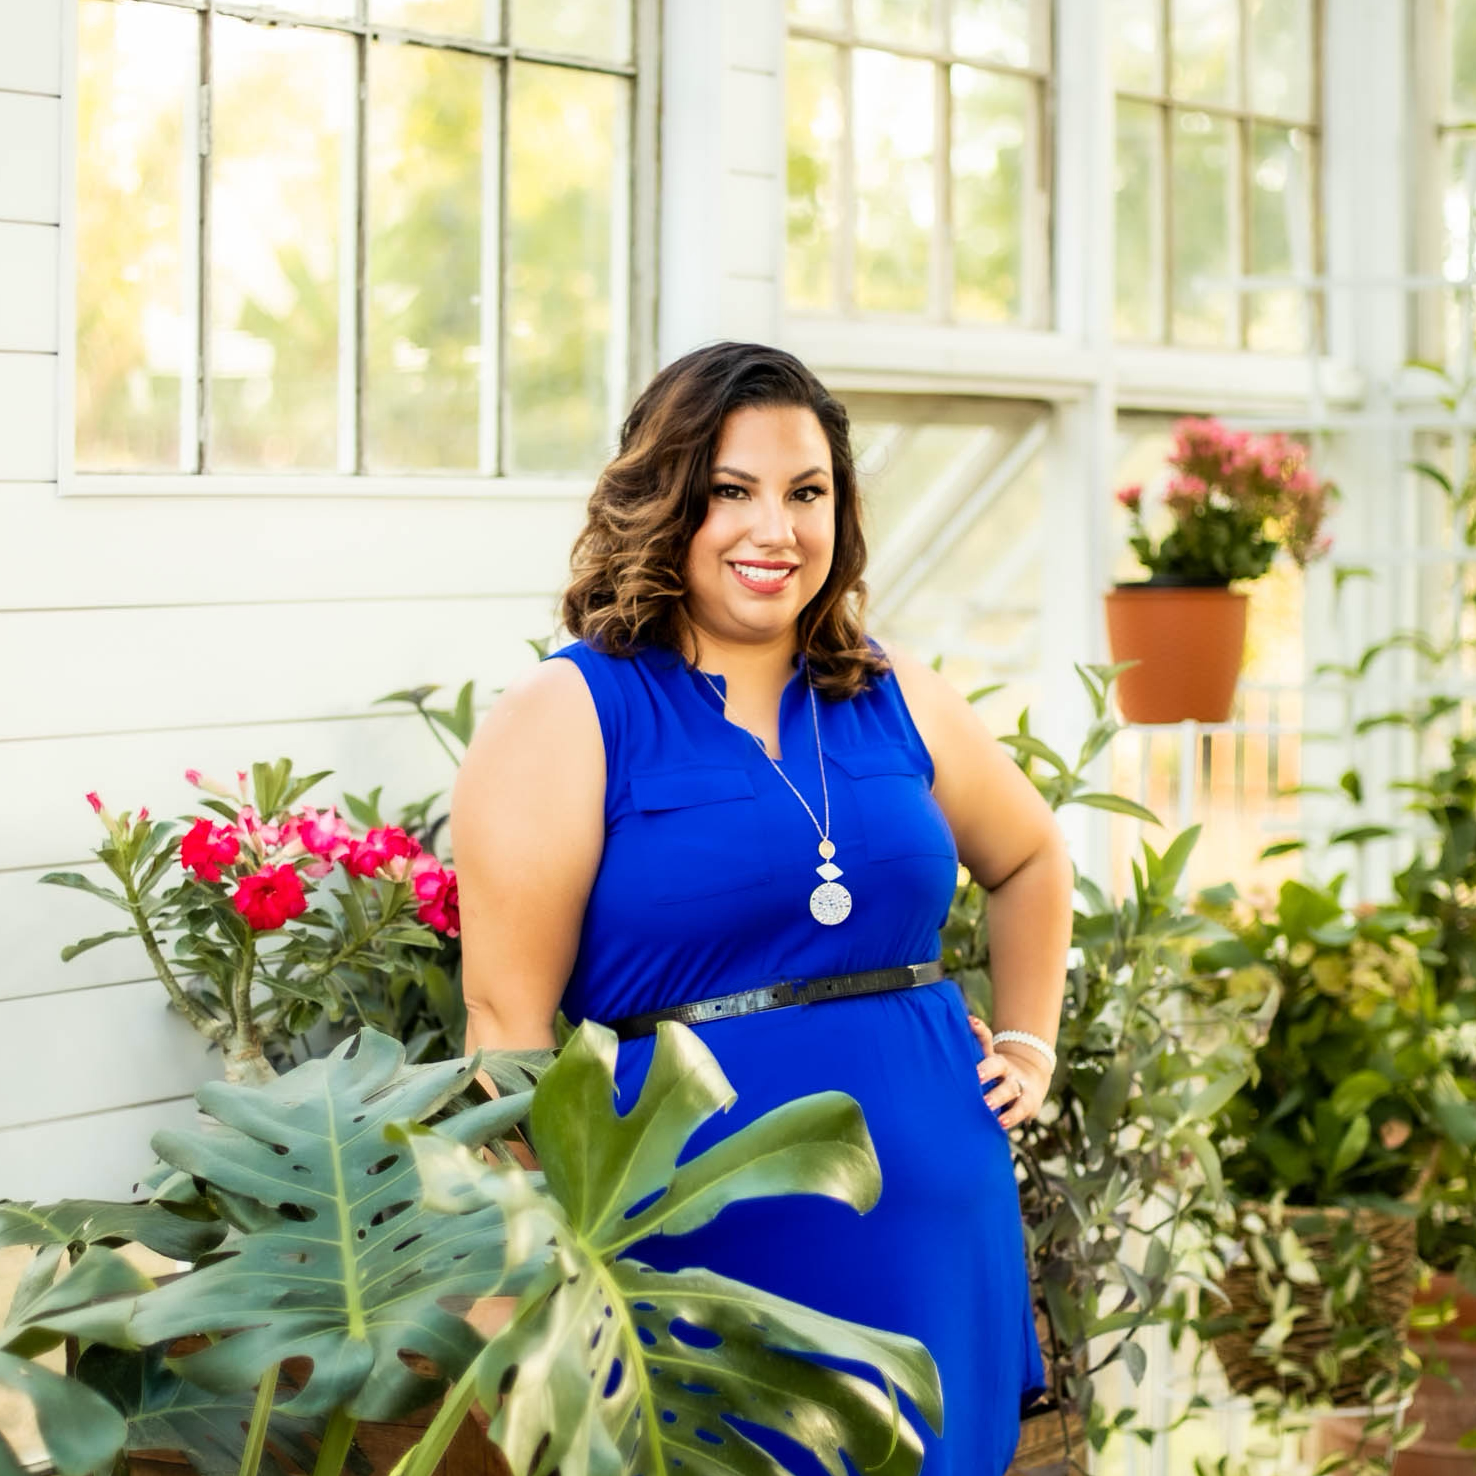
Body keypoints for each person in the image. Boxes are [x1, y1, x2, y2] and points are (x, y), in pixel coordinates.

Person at [451, 341, 1074, 1475]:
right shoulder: (570, 713)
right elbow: (506, 1035)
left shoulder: (899, 698)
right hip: (697, 1253)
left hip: (936, 1236)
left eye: (807, 492)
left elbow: (1031, 858)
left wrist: (1028, 1042)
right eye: (730, 491)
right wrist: (544, 1304)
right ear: (664, 501)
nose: (772, 529)